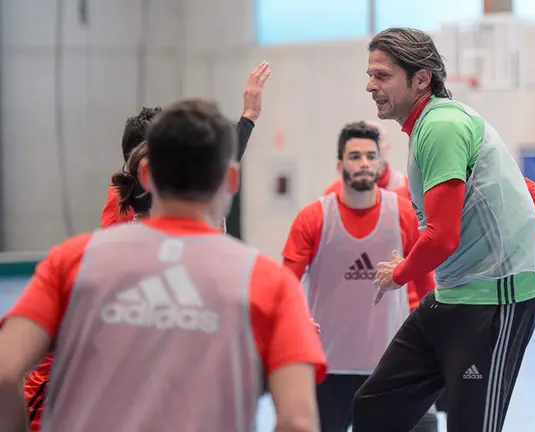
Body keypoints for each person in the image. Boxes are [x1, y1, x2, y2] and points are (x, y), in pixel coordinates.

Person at [351, 28, 535, 432]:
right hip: (454, 294)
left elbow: (442, 238)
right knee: (376, 407)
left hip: (496, 302)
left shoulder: (442, 126)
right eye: (370, 74)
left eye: (381, 75)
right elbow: (528, 189)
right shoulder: (431, 125)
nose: (370, 85)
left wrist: (398, 274)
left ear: (421, 78)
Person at [0, 99, 326, 432]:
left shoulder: (72, 261)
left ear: (144, 173)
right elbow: (298, 421)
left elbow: (4, 371)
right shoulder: (269, 283)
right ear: (231, 178)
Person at [282, 121, 437, 432]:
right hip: (328, 366)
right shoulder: (314, 218)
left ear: (380, 163)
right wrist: (293, 321)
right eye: (355, 156)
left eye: (370, 155)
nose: (364, 162)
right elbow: (284, 285)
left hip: (390, 365)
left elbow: (426, 288)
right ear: (340, 165)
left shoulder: (405, 214)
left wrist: (433, 343)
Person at [100, 61, 272, 228]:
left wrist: (248, 117)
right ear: (144, 169)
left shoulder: (168, 188)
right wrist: (248, 117)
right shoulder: (127, 201)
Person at [322, 120, 407, 196]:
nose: (364, 163)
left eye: (377, 141)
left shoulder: (409, 188)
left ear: (388, 147)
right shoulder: (333, 193)